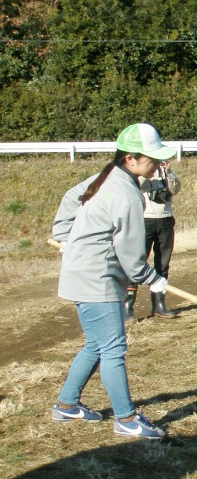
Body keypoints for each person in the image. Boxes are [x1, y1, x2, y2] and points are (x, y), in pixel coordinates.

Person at [50, 123, 177, 440]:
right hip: (97, 278)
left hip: (85, 272)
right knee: (113, 349)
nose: (157, 165)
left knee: (97, 344)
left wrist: (66, 237)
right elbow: (132, 258)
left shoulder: (108, 176)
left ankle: (66, 404)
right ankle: (127, 418)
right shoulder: (127, 195)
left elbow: (70, 197)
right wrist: (154, 279)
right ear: (131, 158)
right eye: (151, 159)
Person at [125, 161, 181, 321]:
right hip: (144, 219)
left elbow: (175, 189)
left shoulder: (165, 171)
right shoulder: (139, 172)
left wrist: (168, 172)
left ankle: (159, 305)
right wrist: (148, 172)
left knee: (162, 265)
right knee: (136, 263)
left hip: (165, 218)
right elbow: (135, 187)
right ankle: (127, 307)